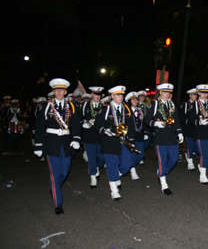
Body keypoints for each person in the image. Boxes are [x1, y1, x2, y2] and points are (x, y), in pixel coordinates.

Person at [34, 78, 81, 215]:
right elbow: (40, 126)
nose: (59, 92)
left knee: (65, 170)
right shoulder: (47, 106)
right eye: (56, 90)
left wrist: (76, 138)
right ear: (53, 92)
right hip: (51, 144)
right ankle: (57, 203)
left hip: (66, 143)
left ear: (65, 92)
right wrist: (38, 145)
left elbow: (75, 124)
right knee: (54, 175)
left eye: (61, 90)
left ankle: (55, 188)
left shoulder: (70, 106)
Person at [92, 85, 133, 200]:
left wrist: (131, 141)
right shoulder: (105, 109)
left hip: (123, 141)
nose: (121, 97)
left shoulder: (126, 109)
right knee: (111, 165)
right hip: (110, 141)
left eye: (122, 95)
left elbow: (130, 126)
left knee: (127, 163)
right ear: (112, 96)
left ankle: (117, 175)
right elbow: (96, 125)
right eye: (118, 95)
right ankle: (114, 191)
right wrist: (104, 131)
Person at [144, 83, 183, 195]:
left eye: (169, 92)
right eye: (165, 92)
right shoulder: (155, 104)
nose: (167, 95)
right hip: (160, 137)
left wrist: (179, 133)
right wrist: (155, 123)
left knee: (174, 159)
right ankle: (164, 185)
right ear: (160, 92)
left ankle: (162, 171)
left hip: (171, 137)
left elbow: (176, 120)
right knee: (162, 160)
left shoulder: (171, 104)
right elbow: (146, 120)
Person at [80, 86, 106, 189]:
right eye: (95, 94)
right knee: (91, 157)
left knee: (102, 157)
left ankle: (96, 167)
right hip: (89, 136)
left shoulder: (104, 106)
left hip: (100, 136)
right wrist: (83, 124)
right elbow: (78, 118)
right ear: (91, 95)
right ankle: (93, 177)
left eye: (99, 94)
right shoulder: (85, 105)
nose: (97, 96)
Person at [125, 91, 147, 180]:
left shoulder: (140, 111)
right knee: (132, 154)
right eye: (133, 99)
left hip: (139, 135)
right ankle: (133, 170)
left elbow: (143, 123)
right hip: (130, 136)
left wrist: (145, 132)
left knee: (141, 154)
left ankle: (131, 166)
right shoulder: (127, 111)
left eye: (136, 99)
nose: (135, 101)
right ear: (129, 101)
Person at [179, 88, 199, 170]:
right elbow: (181, 117)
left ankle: (189, 154)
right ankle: (190, 163)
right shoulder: (185, 105)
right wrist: (188, 121)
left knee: (197, 147)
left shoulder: (199, 104)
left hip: (198, 128)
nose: (195, 96)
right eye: (194, 94)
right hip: (189, 128)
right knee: (190, 146)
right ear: (190, 95)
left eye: (196, 94)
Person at [138, 90, 150, 164]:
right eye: (141, 96)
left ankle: (141, 152)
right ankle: (140, 155)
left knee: (146, 143)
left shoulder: (146, 106)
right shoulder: (136, 105)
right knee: (140, 142)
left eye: (143, 96)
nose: (142, 98)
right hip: (138, 126)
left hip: (145, 125)